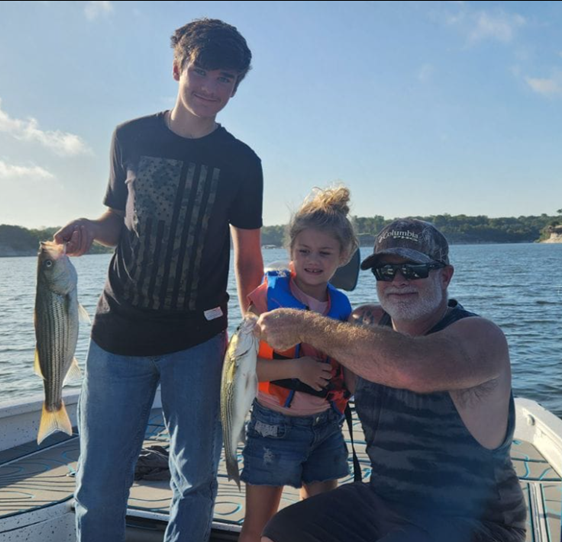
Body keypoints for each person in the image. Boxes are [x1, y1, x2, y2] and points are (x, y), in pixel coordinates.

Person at [54, 18, 264, 542]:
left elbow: (248, 257)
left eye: (226, 80)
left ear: (236, 86)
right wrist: (85, 230)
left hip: (197, 342)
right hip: (117, 335)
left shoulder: (242, 161)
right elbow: (115, 223)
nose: (211, 89)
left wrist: (253, 324)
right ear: (177, 67)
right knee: (99, 482)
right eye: (201, 72)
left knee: (195, 481)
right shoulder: (130, 136)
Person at [254, 218, 527, 542]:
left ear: (445, 275)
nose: (398, 280)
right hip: (383, 500)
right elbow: (317, 301)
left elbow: (410, 367)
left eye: (413, 269)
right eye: (385, 271)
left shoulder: (481, 337)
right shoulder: (364, 323)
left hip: (475, 520)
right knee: (282, 531)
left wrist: (304, 325)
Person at [239, 186, 359, 542]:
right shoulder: (266, 299)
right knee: (258, 527)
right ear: (290, 251)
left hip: (326, 427)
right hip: (274, 427)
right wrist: (296, 369)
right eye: (304, 250)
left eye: (325, 252)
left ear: (344, 255)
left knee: (318, 526)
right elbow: (243, 370)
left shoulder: (342, 308)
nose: (313, 260)